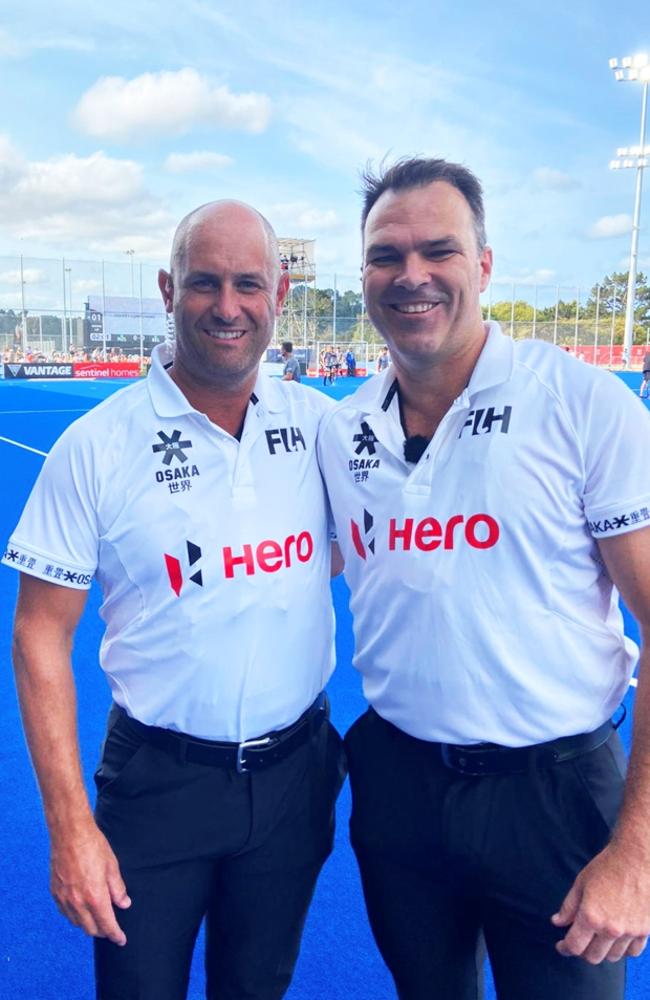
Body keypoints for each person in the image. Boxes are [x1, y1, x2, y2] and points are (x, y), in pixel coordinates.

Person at [318, 157, 650, 1000]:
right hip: (399, 784)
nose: (412, 275)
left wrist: (636, 852)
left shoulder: (582, 403)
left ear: (486, 265)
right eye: (386, 256)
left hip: (554, 794)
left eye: (440, 250)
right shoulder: (343, 427)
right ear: (364, 274)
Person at [4, 200, 346, 1000]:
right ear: (167, 289)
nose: (227, 307)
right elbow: (37, 636)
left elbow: (364, 543)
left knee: (257, 988)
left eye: (248, 285)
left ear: (280, 297)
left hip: (296, 778)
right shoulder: (96, 446)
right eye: (204, 283)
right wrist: (69, 826)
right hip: (159, 784)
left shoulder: (325, 427)